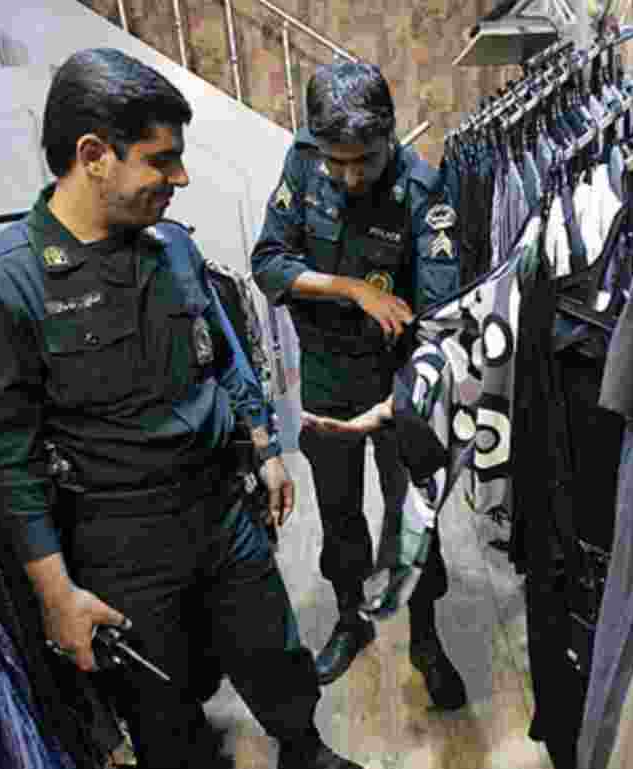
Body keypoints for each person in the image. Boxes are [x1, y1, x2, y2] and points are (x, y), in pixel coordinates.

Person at [0, 48, 363, 769]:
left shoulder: (173, 250)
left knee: (274, 653)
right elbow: (5, 466)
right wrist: (57, 596)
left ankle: (305, 748)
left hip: (222, 510)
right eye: (161, 161)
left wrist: (263, 449)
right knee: (165, 711)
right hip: (119, 538)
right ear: (93, 155)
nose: (181, 178)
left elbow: (224, 358)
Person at [250, 61, 467, 709]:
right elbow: (268, 262)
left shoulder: (424, 190)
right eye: (337, 161)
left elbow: (438, 311)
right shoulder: (303, 162)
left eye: (363, 162)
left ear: (390, 138)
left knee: (413, 515)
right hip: (324, 375)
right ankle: (352, 618)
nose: (348, 176)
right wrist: (345, 287)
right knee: (340, 514)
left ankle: (426, 635)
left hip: (398, 379)